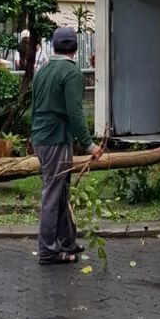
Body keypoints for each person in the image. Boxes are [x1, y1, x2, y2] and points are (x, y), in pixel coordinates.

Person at [30, 25, 102, 264]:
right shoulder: (72, 73)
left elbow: (35, 106)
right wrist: (89, 145)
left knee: (61, 191)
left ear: (54, 46)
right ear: (76, 47)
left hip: (41, 137)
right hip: (56, 138)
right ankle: (48, 250)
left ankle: (67, 241)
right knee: (53, 193)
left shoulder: (42, 70)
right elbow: (75, 112)